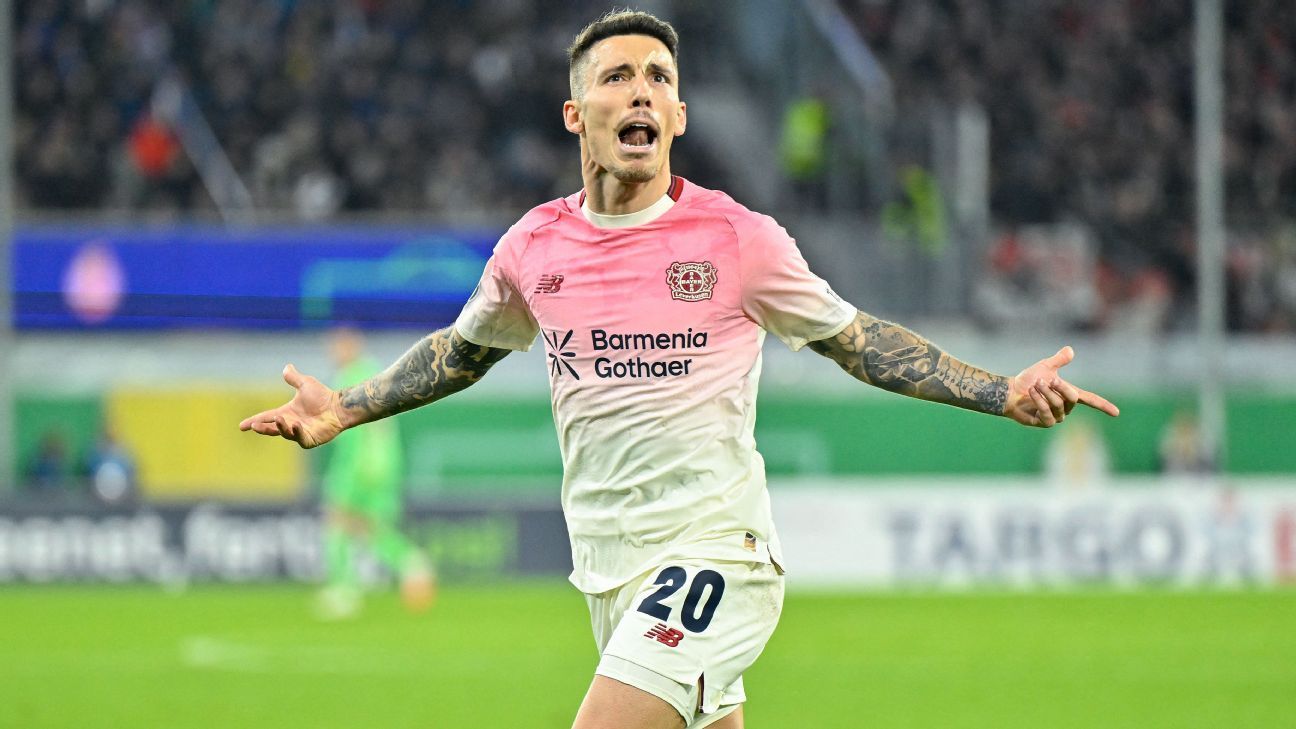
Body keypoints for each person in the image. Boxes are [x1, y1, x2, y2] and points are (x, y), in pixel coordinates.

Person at [240, 10, 1120, 728]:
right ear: (575, 115)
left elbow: (858, 339)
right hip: (608, 568)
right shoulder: (532, 246)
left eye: (659, 78)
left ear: (680, 116)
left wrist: (1001, 390)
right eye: (618, 77)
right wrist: (345, 406)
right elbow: (461, 352)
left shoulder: (739, 239)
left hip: (718, 554)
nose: (642, 91)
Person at [314, 327, 434, 619]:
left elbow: (350, 431)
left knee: (337, 520)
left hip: (358, 466)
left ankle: (343, 590)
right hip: (386, 465)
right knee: (370, 528)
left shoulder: (347, 378)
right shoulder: (376, 373)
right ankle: (410, 562)